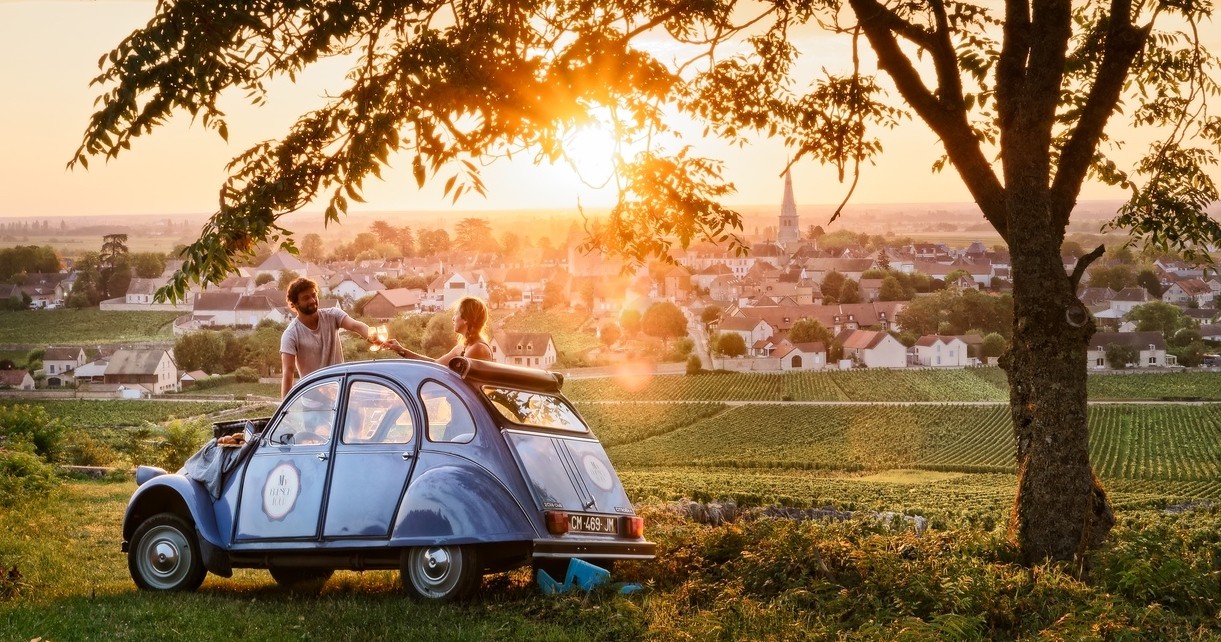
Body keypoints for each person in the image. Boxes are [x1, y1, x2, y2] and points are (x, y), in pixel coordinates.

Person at [280, 277, 377, 397]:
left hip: (340, 396)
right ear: (294, 304)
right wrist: (284, 409)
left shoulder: (333, 315)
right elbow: (288, 373)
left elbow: (356, 326)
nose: (312, 300)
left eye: (313, 295)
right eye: (306, 298)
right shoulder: (291, 334)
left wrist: (374, 336)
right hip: (314, 403)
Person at [384, 296, 493, 363]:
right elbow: (435, 364)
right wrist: (401, 350)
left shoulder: (478, 349)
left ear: (466, 319)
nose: (453, 318)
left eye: (456, 314)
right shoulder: (462, 348)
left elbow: (456, 381)